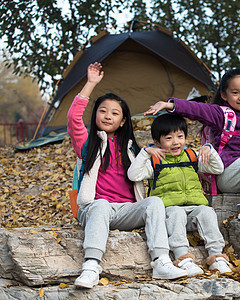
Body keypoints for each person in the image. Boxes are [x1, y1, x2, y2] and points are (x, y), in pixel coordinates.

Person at [67, 62, 188, 288]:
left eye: (114, 113)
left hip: (125, 210)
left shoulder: (130, 148)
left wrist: (146, 154)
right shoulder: (87, 143)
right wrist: (90, 84)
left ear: (123, 121)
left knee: (154, 203)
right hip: (94, 208)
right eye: (102, 111)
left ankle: (161, 261)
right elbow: (74, 118)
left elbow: (141, 173)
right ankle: (91, 266)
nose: (107, 116)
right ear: (95, 116)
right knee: (102, 205)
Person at [144, 68, 240, 221]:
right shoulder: (221, 114)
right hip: (228, 174)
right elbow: (197, 109)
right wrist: (169, 105)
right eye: (235, 92)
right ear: (224, 95)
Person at [128, 113, 232, 275]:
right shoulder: (156, 161)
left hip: (193, 210)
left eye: (180, 136)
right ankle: (183, 257)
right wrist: (146, 152)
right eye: (169, 138)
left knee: (207, 211)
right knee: (176, 213)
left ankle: (216, 256)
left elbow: (218, 169)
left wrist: (209, 150)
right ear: (157, 142)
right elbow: (133, 175)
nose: (176, 142)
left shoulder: (191, 156)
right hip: (169, 212)